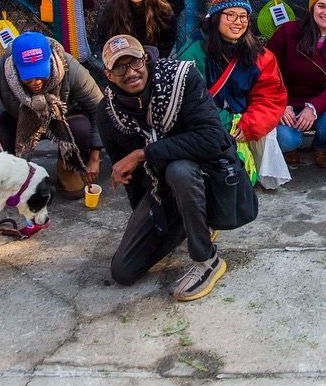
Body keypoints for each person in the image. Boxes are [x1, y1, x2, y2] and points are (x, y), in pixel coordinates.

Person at [96, 34, 235, 300]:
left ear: (145, 58)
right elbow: (131, 179)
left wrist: (142, 153)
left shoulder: (182, 79)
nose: (131, 72)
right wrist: (145, 223)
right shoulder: (108, 112)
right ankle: (191, 223)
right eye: (119, 67)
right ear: (108, 75)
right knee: (123, 271)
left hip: (207, 177)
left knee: (179, 169)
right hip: (162, 190)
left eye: (135, 62)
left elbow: (212, 138)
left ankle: (207, 258)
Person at [0, 31, 103, 200]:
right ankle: (14, 174)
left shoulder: (69, 65)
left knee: (81, 128)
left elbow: (99, 108)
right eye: (28, 77)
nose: (36, 82)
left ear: (50, 60)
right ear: (15, 68)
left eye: (40, 73)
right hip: (19, 121)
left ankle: (68, 166)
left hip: (63, 119)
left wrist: (94, 158)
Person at [179, 0, 288, 155]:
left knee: (285, 138)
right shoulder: (194, 53)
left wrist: (249, 124)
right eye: (230, 15)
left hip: (246, 124)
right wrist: (229, 124)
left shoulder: (261, 56)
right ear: (216, 17)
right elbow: (192, 101)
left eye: (243, 16)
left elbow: (270, 97)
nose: (238, 22)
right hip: (208, 126)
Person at [265, 0, 326, 169]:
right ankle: (291, 148)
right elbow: (267, 70)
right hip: (285, 102)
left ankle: (321, 146)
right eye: (321, 6)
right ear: (312, 8)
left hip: (319, 104)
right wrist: (281, 105)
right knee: (286, 138)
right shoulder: (288, 32)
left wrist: (314, 108)